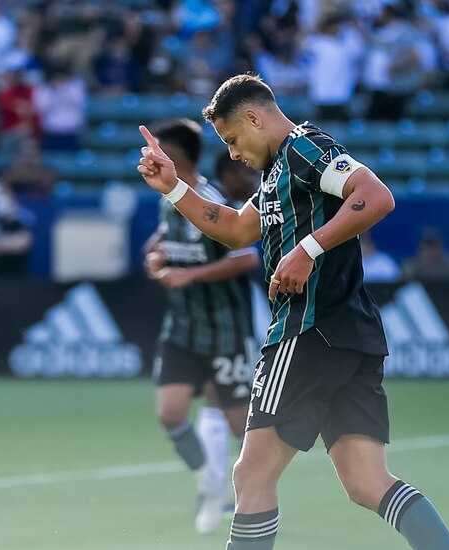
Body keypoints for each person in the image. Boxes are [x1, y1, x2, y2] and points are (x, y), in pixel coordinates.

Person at [137, 74, 449, 550]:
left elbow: (375, 196)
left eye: (232, 139)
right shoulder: (275, 174)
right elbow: (234, 230)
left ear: (253, 117)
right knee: (366, 481)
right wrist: (174, 188)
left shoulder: (303, 148)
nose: (231, 154)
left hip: (307, 330)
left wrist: (308, 247)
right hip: (349, 333)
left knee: (250, 476)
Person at [141, 119, 259, 535]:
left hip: (224, 326)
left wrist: (189, 276)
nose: (149, 157)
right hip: (182, 325)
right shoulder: (164, 198)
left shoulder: (209, 198)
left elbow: (247, 258)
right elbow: (162, 241)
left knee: (237, 423)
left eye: (156, 150)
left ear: (175, 156)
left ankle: (251, 505)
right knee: (170, 413)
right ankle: (209, 482)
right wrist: (156, 258)